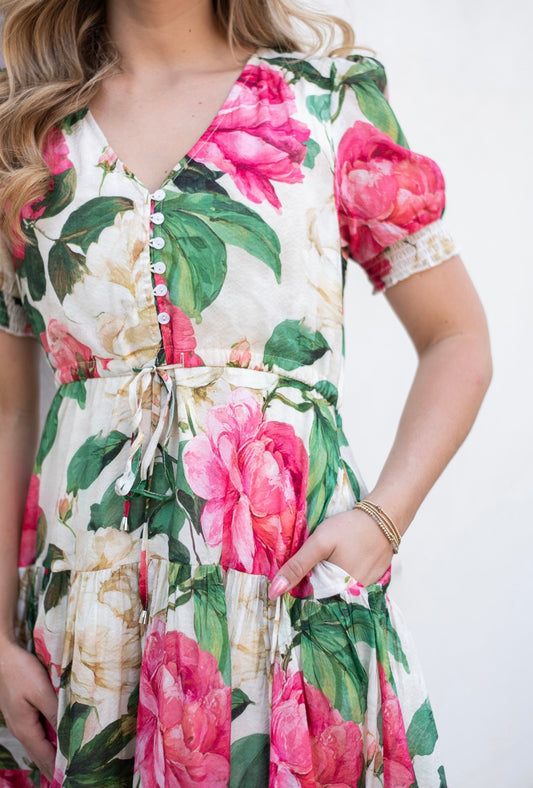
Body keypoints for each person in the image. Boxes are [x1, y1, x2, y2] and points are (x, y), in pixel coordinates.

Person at [0, 0, 491, 785]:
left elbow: (456, 338)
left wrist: (382, 520)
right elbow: (9, 409)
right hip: (88, 626)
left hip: (286, 603)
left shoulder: (325, 101)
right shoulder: (23, 133)